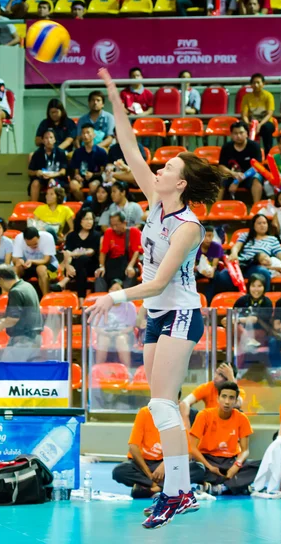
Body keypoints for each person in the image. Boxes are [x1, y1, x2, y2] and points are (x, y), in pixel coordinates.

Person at [87, 67, 222, 529]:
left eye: (168, 169)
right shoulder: (154, 200)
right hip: (156, 317)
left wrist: (115, 294)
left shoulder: (187, 227)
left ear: (181, 183)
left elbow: (162, 283)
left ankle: (180, 492)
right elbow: (128, 145)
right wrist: (111, 93)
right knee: (159, 403)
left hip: (181, 313)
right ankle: (177, 491)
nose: (159, 169)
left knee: (164, 404)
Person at [113, 394, 199, 499]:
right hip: (144, 464)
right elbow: (133, 447)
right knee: (120, 471)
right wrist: (149, 475)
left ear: (177, 402)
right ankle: (161, 487)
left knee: (198, 469)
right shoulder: (145, 413)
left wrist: (165, 465)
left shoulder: (179, 419)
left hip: (168, 465)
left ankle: (151, 490)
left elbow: (187, 453)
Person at [189, 381, 260, 495]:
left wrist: (235, 467)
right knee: (193, 468)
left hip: (230, 461)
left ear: (236, 401)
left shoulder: (242, 418)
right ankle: (233, 485)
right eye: (224, 397)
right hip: (208, 460)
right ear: (218, 398)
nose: (227, 402)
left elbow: (245, 450)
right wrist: (210, 467)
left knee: (260, 466)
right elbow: (192, 448)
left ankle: (218, 486)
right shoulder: (204, 415)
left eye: (231, 398)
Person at [214, 214, 281, 295]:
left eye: (264, 223)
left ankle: (264, 303)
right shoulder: (245, 236)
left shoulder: (272, 240)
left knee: (264, 273)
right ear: (253, 225)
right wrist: (234, 253)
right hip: (242, 264)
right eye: (259, 223)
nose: (262, 225)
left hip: (257, 265)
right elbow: (236, 247)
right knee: (223, 275)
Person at [0, 264, 43, 362]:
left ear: (1, 280)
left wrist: (0, 325)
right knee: (24, 374)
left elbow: (13, 318)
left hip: (23, 339)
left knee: (8, 370)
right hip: (35, 337)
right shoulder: (28, 286)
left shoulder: (15, 291)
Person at [55, 208, 101, 303]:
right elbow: (66, 253)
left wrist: (73, 254)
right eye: (86, 219)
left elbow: (90, 252)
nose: (89, 222)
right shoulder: (72, 236)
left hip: (92, 266)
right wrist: (68, 266)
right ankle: (81, 301)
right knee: (81, 271)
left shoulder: (96, 235)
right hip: (75, 268)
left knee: (83, 258)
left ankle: (66, 280)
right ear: (80, 220)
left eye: (91, 219)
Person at [231, 274, 273, 370]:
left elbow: (255, 320)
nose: (256, 289)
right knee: (233, 327)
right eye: (253, 286)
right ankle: (248, 339)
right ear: (249, 287)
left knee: (240, 343)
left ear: (264, 287)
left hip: (259, 333)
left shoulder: (267, 302)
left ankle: (238, 370)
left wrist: (240, 320)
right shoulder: (242, 301)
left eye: (259, 286)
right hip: (240, 332)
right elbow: (233, 316)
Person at [95, 210, 142, 292]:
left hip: (127, 265)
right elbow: (103, 252)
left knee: (131, 273)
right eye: (112, 225)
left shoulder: (134, 232)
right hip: (112, 265)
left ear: (124, 223)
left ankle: (126, 297)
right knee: (99, 274)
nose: (114, 228)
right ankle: (101, 299)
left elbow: (136, 252)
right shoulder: (109, 232)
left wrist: (130, 266)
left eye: (116, 225)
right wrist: (101, 266)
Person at [94, 279, 138, 367]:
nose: (114, 292)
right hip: (105, 333)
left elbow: (131, 327)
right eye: (112, 289)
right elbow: (97, 327)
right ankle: (97, 371)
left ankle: (127, 371)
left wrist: (118, 333)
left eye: (117, 289)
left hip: (124, 333)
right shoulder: (102, 305)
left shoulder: (129, 306)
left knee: (120, 340)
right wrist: (106, 333)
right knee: (103, 340)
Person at [218, 121, 263, 203]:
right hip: (232, 175)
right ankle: (216, 207)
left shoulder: (254, 146)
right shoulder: (226, 147)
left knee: (257, 179)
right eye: (235, 133)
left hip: (249, 175)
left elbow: (257, 167)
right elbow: (221, 166)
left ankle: (256, 208)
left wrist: (237, 181)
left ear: (247, 133)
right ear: (231, 135)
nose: (238, 136)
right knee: (219, 179)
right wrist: (233, 174)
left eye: (241, 133)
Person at [12, 227, 58, 295]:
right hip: (26, 266)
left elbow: (46, 260)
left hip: (46, 265)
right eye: (29, 245)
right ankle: (18, 296)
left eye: (35, 244)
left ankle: (45, 296)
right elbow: (15, 260)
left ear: (39, 237)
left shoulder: (48, 237)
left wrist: (32, 261)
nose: (32, 246)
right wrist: (19, 261)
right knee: (15, 269)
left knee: (41, 269)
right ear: (24, 240)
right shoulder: (19, 239)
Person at [70, 124, 108, 201]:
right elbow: (76, 171)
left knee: (93, 186)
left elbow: (103, 171)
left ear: (94, 135)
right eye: (83, 133)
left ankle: (89, 204)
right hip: (81, 179)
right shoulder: (77, 152)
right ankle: (83, 203)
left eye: (88, 133)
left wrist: (93, 175)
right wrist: (77, 176)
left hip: (96, 178)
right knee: (73, 184)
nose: (85, 135)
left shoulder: (101, 152)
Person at [28, 128, 68, 200]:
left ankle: (54, 205)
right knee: (35, 183)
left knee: (52, 182)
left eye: (51, 137)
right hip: (42, 178)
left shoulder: (61, 153)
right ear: (43, 140)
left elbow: (63, 171)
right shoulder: (37, 153)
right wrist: (37, 172)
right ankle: (34, 206)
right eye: (46, 138)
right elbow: (30, 171)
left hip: (56, 178)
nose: (48, 140)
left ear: (55, 140)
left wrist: (53, 174)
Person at [241, 73, 275, 156]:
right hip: (251, 123)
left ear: (263, 84)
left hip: (264, 122)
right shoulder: (246, 97)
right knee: (240, 127)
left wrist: (260, 124)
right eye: (253, 83)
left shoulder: (268, 96)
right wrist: (248, 123)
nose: (256, 85)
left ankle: (268, 156)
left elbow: (269, 114)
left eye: (258, 82)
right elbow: (244, 115)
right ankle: (245, 155)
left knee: (267, 128)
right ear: (251, 85)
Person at [195, 225, 223, 302]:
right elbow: (192, 265)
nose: (207, 239)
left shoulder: (217, 247)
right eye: (205, 236)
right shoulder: (195, 246)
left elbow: (214, 265)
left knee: (216, 277)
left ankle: (209, 301)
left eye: (210, 236)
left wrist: (211, 271)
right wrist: (199, 270)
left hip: (210, 270)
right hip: (197, 270)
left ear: (213, 236)